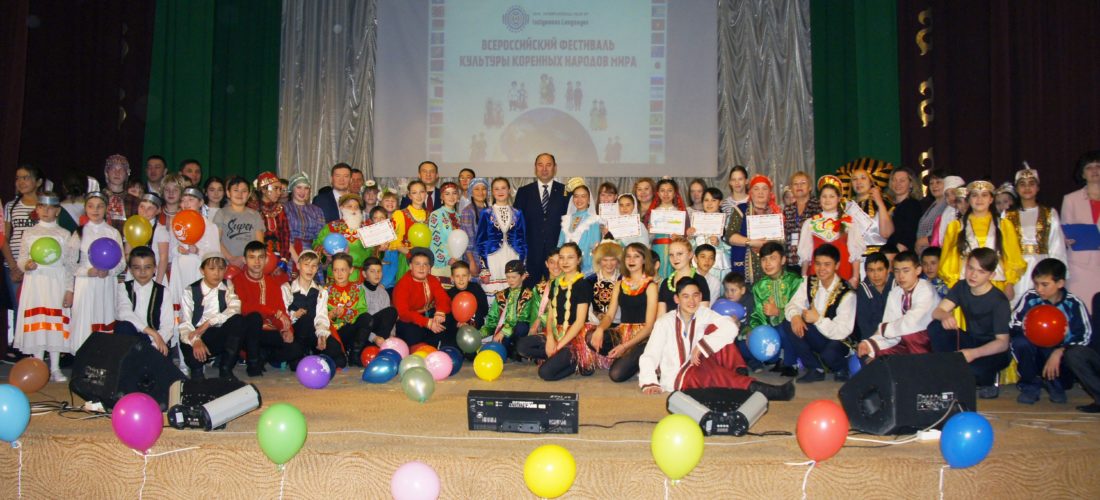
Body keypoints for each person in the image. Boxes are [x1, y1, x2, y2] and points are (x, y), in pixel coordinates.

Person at [638, 278, 795, 400]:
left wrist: (702, 345)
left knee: (718, 330)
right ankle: (768, 391)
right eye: (685, 296)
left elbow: (731, 327)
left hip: (702, 361)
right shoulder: (664, 322)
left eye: (695, 296)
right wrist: (650, 382)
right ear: (677, 299)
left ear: (700, 297)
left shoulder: (704, 313)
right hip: (680, 376)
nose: (691, 301)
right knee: (715, 375)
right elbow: (650, 354)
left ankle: (738, 373)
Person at [929, 248, 1013, 399]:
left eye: (981, 272)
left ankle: (989, 380)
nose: (973, 275)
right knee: (936, 327)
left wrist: (973, 353)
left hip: (993, 349)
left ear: (991, 275)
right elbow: (937, 312)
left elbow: (1002, 343)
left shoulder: (999, 301)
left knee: (974, 371)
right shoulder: (961, 286)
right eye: (970, 268)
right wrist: (945, 316)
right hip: (972, 340)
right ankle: (947, 368)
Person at [1009, 258, 1091, 405]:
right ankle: (1030, 385)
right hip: (1034, 351)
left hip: (1060, 358)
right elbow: (1013, 323)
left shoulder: (1073, 304)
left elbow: (1085, 335)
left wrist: (1060, 350)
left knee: (1059, 350)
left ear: (1060, 283)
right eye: (1036, 284)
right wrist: (1028, 328)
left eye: (1044, 284)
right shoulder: (1030, 297)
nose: (1039, 289)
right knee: (1020, 343)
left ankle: (1055, 384)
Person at [515, 243, 599, 379]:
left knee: (545, 373)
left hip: (575, 337)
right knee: (522, 346)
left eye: (570, 257)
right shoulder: (555, 284)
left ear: (578, 260)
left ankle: (578, 361)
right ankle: (560, 358)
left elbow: (579, 322)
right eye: (562, 257)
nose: (565, 262)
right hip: (556, 332)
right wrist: (550, 338)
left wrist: (558, 346)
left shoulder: (583, 284)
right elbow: (550, 316)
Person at [13, 192, 73, 381]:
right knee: (38, 322)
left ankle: (55, 368)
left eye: (50, 207)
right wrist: (26, 265)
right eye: (42, 207)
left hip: (56, 281)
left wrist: (69, 289)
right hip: (36, 282)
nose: (46, 211)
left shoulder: (64, 234)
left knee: (54, 323)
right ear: (37, 209)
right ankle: (37, 365)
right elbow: (22, 258)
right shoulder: (29, 233)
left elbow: (69, 264)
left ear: (58, 210)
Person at [940, 180, 1027, 304]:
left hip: (996, 282)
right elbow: (949, 260)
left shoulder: (1004, 225)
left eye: (984, 195)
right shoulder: (955, 227)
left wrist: (1010, 283)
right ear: (969, 199)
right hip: (967, 284)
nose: (979, 199)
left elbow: (1012, 256)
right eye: (975, 195)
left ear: (991, 199)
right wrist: (954, 285)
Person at [781, 244, 856, 382]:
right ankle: (815, 368)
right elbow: (793, 304)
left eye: (827, 264)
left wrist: (818, 320)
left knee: (830, 355)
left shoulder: (847, 293)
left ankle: (842, 368)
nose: (821, 269)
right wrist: (796, 316)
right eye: (818, 264)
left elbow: (842, 331)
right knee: (789, 323)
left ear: (837, 265)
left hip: (839, 339)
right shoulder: (809, 281)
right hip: (818, 334)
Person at [66, 192, 127, 351]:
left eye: (100, 206)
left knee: (103, 318)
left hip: (105, 284)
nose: (95, 210)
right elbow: (70, 263)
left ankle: (101, 358)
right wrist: (87, 272)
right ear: (85, 208)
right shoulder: (79, 233)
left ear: (106, 208)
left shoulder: (113, 233)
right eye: (91, 206)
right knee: (85, 320)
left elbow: (121, 263)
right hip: (85, 284)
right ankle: (82, 357)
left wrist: (109, 271)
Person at [232, 241, 303, 376]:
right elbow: (243, 307)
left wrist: (285, 329)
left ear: (266, 260)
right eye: (252, 257)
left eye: (261, 257)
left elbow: (281, 310)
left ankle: (264, 356)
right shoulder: (237, 280)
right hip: (248, 333)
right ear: (245, 260)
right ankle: (254, 363)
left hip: (268, 332)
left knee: (296, 349)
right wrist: (272, 312)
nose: (257, 261)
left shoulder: (272, 282)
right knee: (254, 318)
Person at [590, 243, 658, 382]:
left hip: (643, 337)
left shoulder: (651, 286)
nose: (631, 260)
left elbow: (649, 326)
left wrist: (625, 346)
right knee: (590, 336)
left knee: (616, 375)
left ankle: (636, 360)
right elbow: (609, 316)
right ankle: (625, 358)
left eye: (636, 256)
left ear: (644, 260)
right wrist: (600, 329)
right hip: (622, 333)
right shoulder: (619, 284)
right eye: (628, 256)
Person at [168, 187, 222, 352]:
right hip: (180, 272)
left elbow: (215, 255)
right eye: (183, 200)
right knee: (179, 311)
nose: (186, 203)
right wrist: (178, 250)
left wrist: (197, 251)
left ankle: (199, 350)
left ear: (200, 202)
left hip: (197, 273)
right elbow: (170, 251)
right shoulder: (176, 222)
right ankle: (181, 353)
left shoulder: (210, 226)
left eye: (191, 199)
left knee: (195, 310)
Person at [1003, 166, 1067, 307]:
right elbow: (1004, 249)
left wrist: (1056, 275)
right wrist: (1007, 279)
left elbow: (1057, 247)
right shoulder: (1007, 216)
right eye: (1022, 184)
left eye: (1031, 183)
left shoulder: (1049, 213)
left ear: (1038, 188)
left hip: (1042, 266)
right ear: (1016, 189)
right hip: (1016, 271)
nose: (1027, 188)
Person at [857, 250, 936, 360]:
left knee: (910, 336)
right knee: (873, 354)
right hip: (903, 341)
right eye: (897, 271)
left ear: (918, 270)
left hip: (930, 342)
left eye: (906, 271)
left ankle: (922, 367)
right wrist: (870, 343)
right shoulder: (895, 292)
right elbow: (889, 325)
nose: (901, 276)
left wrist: (883, 329)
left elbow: (911, 323)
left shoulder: (926, 289)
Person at [178, 253, 245, 380]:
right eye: (212, 268)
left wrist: (209, 323)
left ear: (225, 270)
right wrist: (196, 340)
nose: (217, 273)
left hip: (216, 332)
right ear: (202, 270)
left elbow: (235, 307)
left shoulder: (227, 285)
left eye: (221, 269)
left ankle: (225, 368)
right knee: (194, 359)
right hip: (194, 332)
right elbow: (185, 323)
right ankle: (197, 371)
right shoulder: (190, 290)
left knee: (238, 320)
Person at [747, 241, 802, 376]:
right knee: (744, 340)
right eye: (764, 259)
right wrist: (754, 332)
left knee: (785, 327)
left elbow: (801, 308)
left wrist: (779, 312)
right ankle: (776, 358)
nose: (768, 263)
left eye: (772, 258)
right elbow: (757, 315)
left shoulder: (795, 281)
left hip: (794, 329)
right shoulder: (759, 286)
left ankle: (790, 363)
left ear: (783, 260)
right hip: (771, 334)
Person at [798, 176, 864, 286]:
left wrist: (855, 277)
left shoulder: (849, 222)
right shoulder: (810, 223)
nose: (827, 200)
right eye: (824, 196)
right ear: (819, 199)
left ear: (839, 198)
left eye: (831, 196)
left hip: (844, 274)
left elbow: (855, 253)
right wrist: (804, 277)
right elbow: (806, 255)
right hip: (817, 276)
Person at [514, 153, 568, 287]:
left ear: (555, 168)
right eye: (540, 165)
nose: (544, 169)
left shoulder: (565, 192)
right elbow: (517, 224)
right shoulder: (523, 192)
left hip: (557, 255)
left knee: (557, 291)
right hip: (531, 254)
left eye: (548, 165)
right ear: (535, 168)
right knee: (529, 293)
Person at [114, 246, 173, 359]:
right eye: (137, 268)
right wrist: (152, 332)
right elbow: (125, 313)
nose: (142, 272)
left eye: (147, 267)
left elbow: (167, 326)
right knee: (123, 326)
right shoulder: (123, 288)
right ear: (130, 270)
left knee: (155, 359)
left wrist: (153, 344)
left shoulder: (163, 291)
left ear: (155, 269)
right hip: (131, 338)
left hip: (154, 341)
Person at [281, 251, 339, 364]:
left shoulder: (321, 291)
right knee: (305, 321)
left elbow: (321, 316)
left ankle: (314, 350)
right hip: (296, 332)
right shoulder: (287, 288)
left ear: (317, 268)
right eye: (306, 265)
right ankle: (301, 352)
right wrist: (294, 315)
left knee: (338, 355)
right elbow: (283, 313)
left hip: (313, 331)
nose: (310, 269)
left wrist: (321, 335)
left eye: (314, 266)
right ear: (298, 266)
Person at [725, 175, 785, 284]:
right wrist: (751, 242)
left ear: (770, 193)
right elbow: (730, 236)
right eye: (756, 189)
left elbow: (781, 242)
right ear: (751, 192)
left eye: (764, 189)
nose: (760, 192)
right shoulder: (741, 210)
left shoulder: (776, 213)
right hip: (745, 271)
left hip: (771, 270)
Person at [1061, 151, 1100, 310]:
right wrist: (1066, 239)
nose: (1094, 170)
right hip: (1080, 266)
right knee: (1081, 310)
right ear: (1082, 174)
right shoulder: (1071, 199)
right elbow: (1065, 230)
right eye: (1089, 167)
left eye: (1098, 166)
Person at [322, 252, 375, 366]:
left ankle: (355, 354)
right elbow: (320, 314)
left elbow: (362, 310)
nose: (339, 274)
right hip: (335, 332)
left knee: (367, 318)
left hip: (352, 330)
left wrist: (345, 312)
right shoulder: (326, 290)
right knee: (339, 362)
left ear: (351, 270)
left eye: (343, 270)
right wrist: (331, 315)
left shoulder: (357, 288)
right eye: (335, 270)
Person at [393, 248, 453, 347]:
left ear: (429, 267)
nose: (422, 268)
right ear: (411, 266)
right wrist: (427, 322)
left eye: (425, 264)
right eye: (417, 264)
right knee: (413, 333)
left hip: (429, 315)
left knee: (449, 318)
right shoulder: (403, 284)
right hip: (410, 320)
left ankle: (439, 345)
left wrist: (440, 313)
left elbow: (443, 298)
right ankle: (426, 346)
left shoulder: (432, 279)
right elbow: (403, 313)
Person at [477, 177, 527, 293]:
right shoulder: (486, 213)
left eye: (503, 188)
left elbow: (522, 240)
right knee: (494, 292)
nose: (500, 191)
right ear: (492, 192)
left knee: (513, 291)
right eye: (496, 189)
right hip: (493, 258)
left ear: (509, 190)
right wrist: (484, 268)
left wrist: (523, 265)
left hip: (513, 256)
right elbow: (481, 241)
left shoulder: (517, 213)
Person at [481, 260, 538, 359]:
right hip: (504, 334)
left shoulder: (529, 295)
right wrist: (481, 334)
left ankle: (518, 349)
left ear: (523, 276)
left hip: (520, 333)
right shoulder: (500, 295)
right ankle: (510, 350)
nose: (510, 280)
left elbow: (523, 318)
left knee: (521, 327)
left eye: (514, 277)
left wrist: (503, 332)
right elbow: (492, 320)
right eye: (508, 277)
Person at [313, 194, 374, 284]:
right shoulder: (331, 227)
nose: (353, 210)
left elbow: (374, 252)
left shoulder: (366, 228)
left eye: (356, 207)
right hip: (336, 276)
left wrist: (380, 248)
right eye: (350, 206)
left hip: (360, 277)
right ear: (342, 208)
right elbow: (316, 246)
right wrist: (324, 252)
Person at [846, 166, 894, 268]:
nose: (859, 182)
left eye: (863, 178)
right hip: (854, 261)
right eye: (854, 179)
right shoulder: (846, 207)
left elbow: (887, 233)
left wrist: (879, 202)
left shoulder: (884, 203)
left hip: (879, 260)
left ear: (871, 181)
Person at [214, 178, 264, 268]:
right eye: (236, 190)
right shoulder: (221, 213)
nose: (240, 194)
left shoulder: (255, 215)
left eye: (244, 191)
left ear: (249, 194)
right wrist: (231, 258)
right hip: (227, 264)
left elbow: (259, 243)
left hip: (250, 265)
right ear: (228, 193)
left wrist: (252, 260)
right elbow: (215, 240)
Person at [389, 180, 431, 283]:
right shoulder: (400, 214)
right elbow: (394, 241)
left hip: (426, 261)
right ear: (409, 195)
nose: (419, 196)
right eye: (414, 192)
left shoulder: (431, 215)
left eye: (421, 192)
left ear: (426, 193)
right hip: (407, 260)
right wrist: (411, 255)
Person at [558, 179, 602, 275]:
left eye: (583, 196)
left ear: (589, 199)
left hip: (584, 268)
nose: (579, 200)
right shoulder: (567, 219)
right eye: (576, 196)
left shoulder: (594, 220)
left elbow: (594, 247)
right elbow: (560, 244)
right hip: (565, 266)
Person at [687, 188, 730, 285]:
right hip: (698, 264)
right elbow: (693, 247)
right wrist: (690, 238)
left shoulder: (726, 221)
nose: (709, 203)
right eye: (706, 200)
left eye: (713, 200)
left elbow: (731, 246)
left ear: (720, 202)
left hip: (718, 264)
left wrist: (719, 244)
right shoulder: (697, 220)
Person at [657, 239, 710, 316]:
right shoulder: (666, 283)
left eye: (679, 254)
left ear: (690, 254)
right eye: (671, 255)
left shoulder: (700, 281)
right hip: (669, 323)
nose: (675, 258)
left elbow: (703, 314)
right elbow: (661, 316)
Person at [648, 178, 688, 278]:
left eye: (669, 190)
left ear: (674, 193)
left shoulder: (679, 213)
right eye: (662, 190)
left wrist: (679, 238)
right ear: (658, 193)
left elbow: (685, 239)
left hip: (674, 250)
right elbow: (649, 239)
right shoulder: (654, 213)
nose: (666, 194)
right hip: (657, 249)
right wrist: (649, 231)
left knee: (674, 276)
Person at [284, 172, 325, 266]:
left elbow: (320, 236)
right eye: (299, 187)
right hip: (290, 255)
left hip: (312, 256)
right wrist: (298, 261)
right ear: (292, 189)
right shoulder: (284, 209)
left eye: (306, 188)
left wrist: (316, 256)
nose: (302, 192)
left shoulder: (317, 210)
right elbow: (284, 237)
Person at [782, 172, 821, 272]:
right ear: (791, 188)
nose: (799, 186)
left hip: (812, 261)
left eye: (803, 183)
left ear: (810, 187)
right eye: (795, 184)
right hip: (791, 260)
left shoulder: (819, 207)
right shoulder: (787, 209)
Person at [255, 172, 291, 268]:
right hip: (257, 258)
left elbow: (285, 235)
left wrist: (284, 258)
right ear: (263, 189)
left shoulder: (280, 209)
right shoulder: (253, 209)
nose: (279, 193)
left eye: (280, 189)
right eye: (275, 188)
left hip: (278, 258)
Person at [854, 252, 894, 341]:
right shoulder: (862, 290)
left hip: (897, 338)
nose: (876, 275)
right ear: (866, 272)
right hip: (872, 340)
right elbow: (864, 324)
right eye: (871, 270)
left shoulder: (897, 285)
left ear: (888, 270)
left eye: (880, 269)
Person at [428, 182, 462, 284]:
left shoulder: (459, 217)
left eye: (454, 193)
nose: (451, 197)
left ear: (458, 196)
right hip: (441, 264)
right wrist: (448, 259)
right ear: (442, 197)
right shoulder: (436, 215)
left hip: (457, 263)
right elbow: (435, 240)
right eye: (447, 194)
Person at [885, 168, 923, 252]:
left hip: (901, 255)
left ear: (911, 184)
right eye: (894, 180)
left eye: (902, 180)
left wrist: (896, 256)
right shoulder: (890, 205)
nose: (897, 184)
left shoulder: (912, 205)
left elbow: (908, 236)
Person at [101, 154, 141, 233]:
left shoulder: (135, 202)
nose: (117, 173)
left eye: (121, 169)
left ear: (126, 174)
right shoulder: (97, 198)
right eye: (113, 169)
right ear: (106, 173)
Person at [459, 177, 489, 276]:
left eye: (483, 189)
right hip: (475, 259)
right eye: (477, 189)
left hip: (489, 257)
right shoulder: (468, 211)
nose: (481, 192)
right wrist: (471, 262)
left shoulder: (490, 210)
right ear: (471, 192)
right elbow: (468, 240)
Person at [447, 261, 489, 329]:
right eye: (457, 276)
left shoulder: (476, 289)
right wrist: (457, 323)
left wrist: (469, 323)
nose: (461, 279)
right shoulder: (449, 294)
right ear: (452, 278)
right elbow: (447, 316)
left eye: (464, 275)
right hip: (456, 328)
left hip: (475, 328)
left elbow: (484, 309)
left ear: (469, 277)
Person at [915, 168, 948, 254]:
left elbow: (945, 231)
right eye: (931, 183)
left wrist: (922, 242)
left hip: (937, 253)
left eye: (938, 182)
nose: (934, 186)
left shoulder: (948, 205)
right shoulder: (933, 204)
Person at [931, 176, 966, 247]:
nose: (950, 197)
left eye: (953, 193)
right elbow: (942, 239)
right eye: (947, 195)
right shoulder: (947, 213)